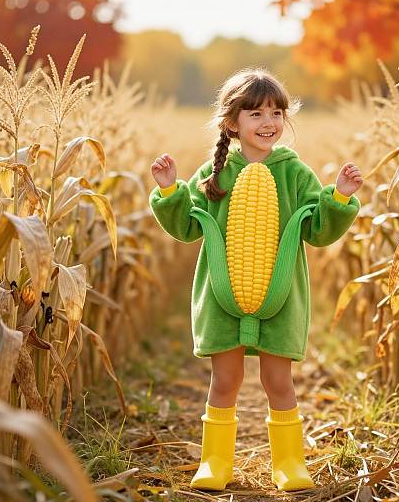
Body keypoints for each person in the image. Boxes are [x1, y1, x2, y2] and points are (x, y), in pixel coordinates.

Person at [149, 67, 363, 492]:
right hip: (222, 295)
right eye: (256, 114)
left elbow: (318, 231)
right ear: (232, 123)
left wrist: (338, 197)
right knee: (224, 380)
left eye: (277, 113)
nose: (269, 123)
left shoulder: (295, 174)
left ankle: (288, 463)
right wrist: (171, 191)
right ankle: (214, 462)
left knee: (278, 381)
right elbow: (189, 227)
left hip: (280, 296)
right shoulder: (216, 172)